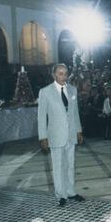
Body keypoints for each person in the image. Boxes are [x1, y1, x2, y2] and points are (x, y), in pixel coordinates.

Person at [38, 64, 85, 207]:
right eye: (60, 73)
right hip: (55, 135)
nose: (63, 76)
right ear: (54, 75)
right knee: (58, 166)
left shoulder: (73, 90)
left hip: (71, 134)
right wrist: (43, 137)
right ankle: (61, 195)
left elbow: (75, 112)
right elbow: (41, 116)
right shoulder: (45, 92)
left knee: (70, 165)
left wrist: (79, 130)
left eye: (65, 73)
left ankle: (71, 192)